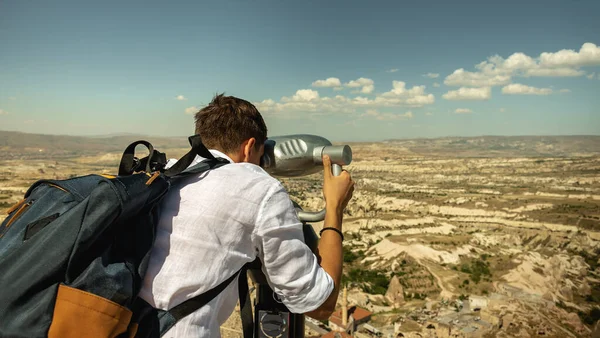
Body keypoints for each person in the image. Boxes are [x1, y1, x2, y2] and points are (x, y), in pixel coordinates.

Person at [138, 93, 354, 337]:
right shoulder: (259, 189)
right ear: (250, 146)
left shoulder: (165, 174)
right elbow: (320, 305)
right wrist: (334, 207)